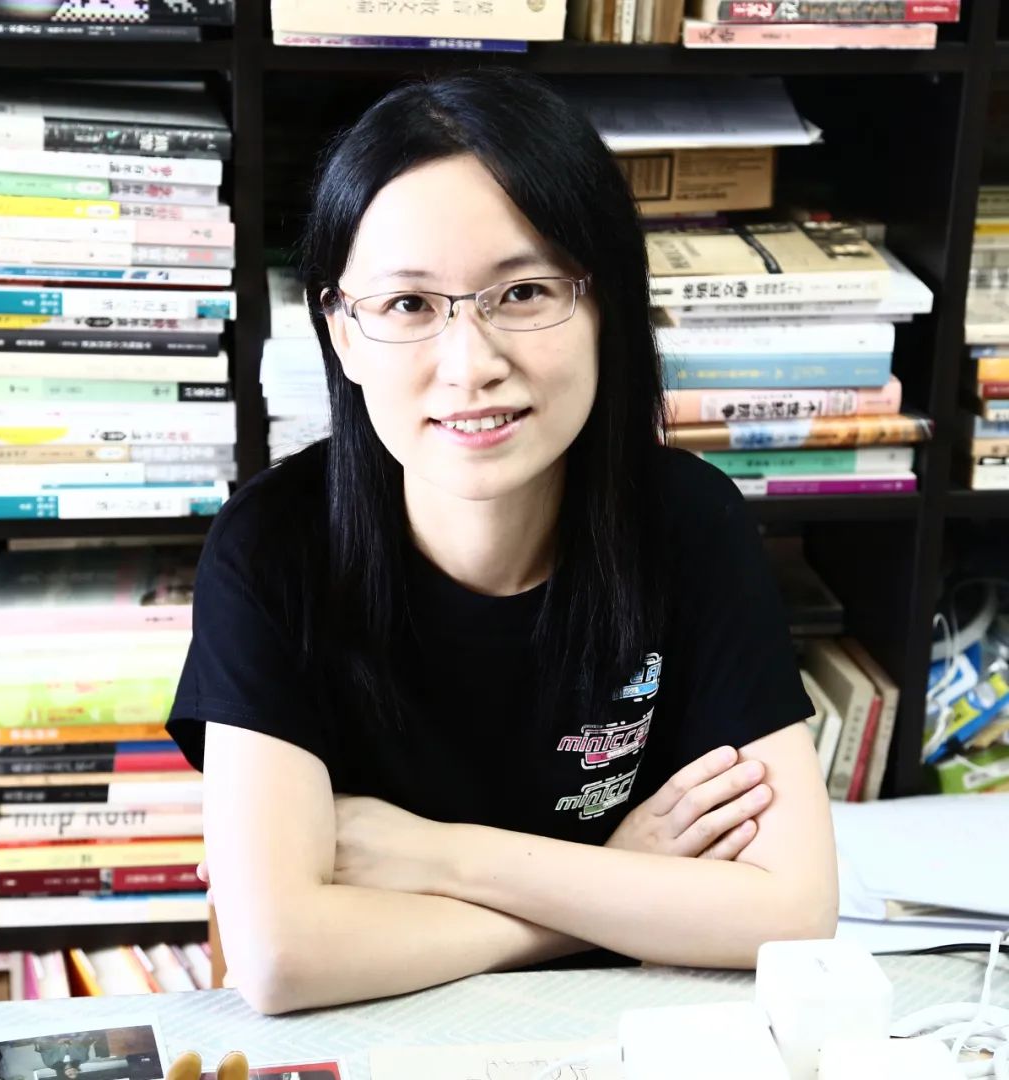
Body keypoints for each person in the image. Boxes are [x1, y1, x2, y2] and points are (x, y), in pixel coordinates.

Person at [167, 67, 838, 1016]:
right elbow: (281, 959)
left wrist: (445, 859)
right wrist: (613, 888)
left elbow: (793, 911)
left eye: (522, 291)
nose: (470, 365)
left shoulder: (690, 521)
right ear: (341, 333)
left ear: (606, 306)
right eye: (409, 305)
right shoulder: (273, 548)